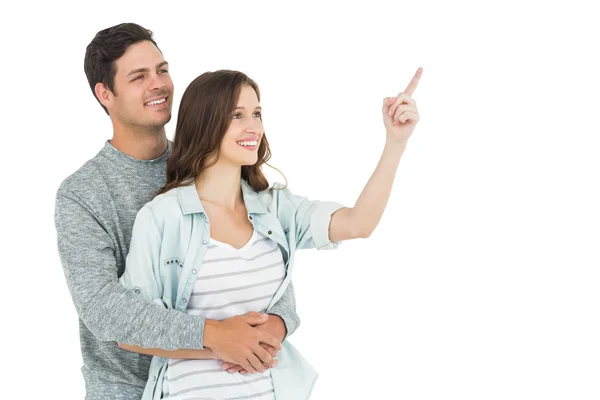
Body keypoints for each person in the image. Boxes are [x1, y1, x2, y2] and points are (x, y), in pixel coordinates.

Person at [119, 67, 422, 400]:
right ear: (205, 122)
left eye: (257, 113)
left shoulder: (275, 208)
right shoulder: (162, 216)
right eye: (237, 115)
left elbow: (358, 223)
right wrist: (221, 345)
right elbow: (130, 330)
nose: (255, 127)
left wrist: (395, 143)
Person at [54, 23, 299, 400]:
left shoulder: (212, 160)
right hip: (128, 391)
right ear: (105, 94)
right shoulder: (83, 194)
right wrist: (214, 337)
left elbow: (267, 261)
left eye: (162, 70)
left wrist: (277, 325)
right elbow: (103, 308)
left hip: (236, 385)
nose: (160, 84)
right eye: (139, 76)